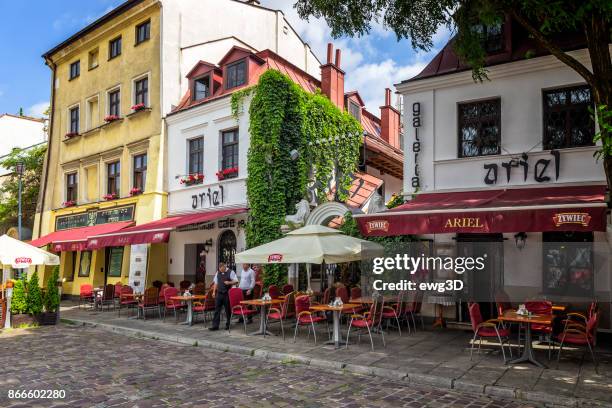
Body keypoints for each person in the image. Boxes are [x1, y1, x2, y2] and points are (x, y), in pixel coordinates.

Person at [208, 262, 238, 331]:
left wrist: (229, 282)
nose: (221, 271)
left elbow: (236, 281)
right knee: (217, 310)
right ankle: (215, 326)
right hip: (219, 293)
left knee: (227, 310)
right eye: (220, 270)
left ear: (224, 267)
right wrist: (213, 292)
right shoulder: (218, 272)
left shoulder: (231, 272)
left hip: (227, 294)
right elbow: (216, 282)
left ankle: (228, 324)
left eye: (222, 270)